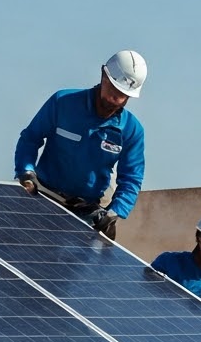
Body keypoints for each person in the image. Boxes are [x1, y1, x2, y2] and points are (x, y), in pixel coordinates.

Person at [13, 50, 147, 238]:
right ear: (103, 75)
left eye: (123, 95)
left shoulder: (131, 130)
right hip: (43, 196)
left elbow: (131, 178)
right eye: (113, 90)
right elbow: (30, 138)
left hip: (88, 210)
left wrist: (115, 211)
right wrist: (25, 170)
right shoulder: (62, 103)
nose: (115, 99)